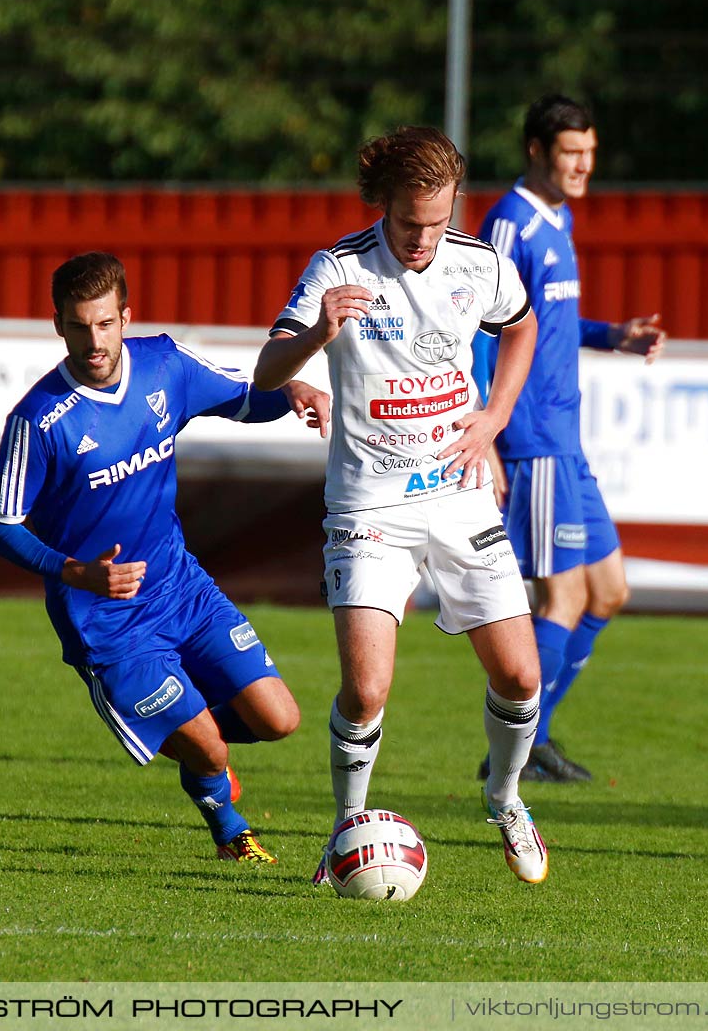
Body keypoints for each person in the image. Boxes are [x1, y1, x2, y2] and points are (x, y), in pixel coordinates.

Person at [253, 126, 551, 885]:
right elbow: (267, 369)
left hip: (458, 497)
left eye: (438, 220)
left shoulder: (476, 261)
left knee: (520, 676)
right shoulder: (339, 266)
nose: (424, 237)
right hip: (369, 504)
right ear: (382, 201)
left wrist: (495, 419)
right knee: (367, 688)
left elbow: (521, 330)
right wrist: (319, 333)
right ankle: (346, 829)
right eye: (411, 221)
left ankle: (506, 799)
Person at [0, 251, 331, 863]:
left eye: (106, 324)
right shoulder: (39, 422)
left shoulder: (165, 364)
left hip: (180, 588)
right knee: (213, 755)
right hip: (106, 621)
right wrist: (76, 572)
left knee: (279, 719)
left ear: (126, 316)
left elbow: (247, 398)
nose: (94, 341)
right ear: (58, 325)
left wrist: (294, 389)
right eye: (79, 326)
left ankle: (196, 735)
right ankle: (227, 824)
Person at [471, 94, 667, 784]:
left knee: (609, 591)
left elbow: (549, 325)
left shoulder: (561, 219)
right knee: (564, 599)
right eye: (570, 154)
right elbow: (482, 330)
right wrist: (486, 427)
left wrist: (615, 336)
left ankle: (535, 739)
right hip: (531, 438)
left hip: (566, 438)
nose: (584, 165)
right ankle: (513, 753)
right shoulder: (510, 225)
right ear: (536, 151)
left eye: (589, 152)